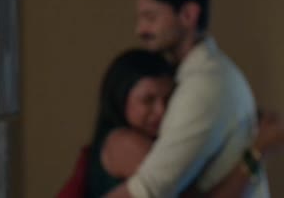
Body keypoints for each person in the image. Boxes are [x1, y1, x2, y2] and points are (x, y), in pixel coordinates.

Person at [106, 0, 269, 197]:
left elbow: (149, 190)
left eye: (150, 18)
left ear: (188, 15)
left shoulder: (204, 85)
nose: (140, 30)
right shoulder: (198, 76)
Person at [84, 49, 284, 197]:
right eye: (148, 100)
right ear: (120, 99)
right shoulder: (124, 144)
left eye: (167, 99)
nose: (160, 111)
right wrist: (258, 151)